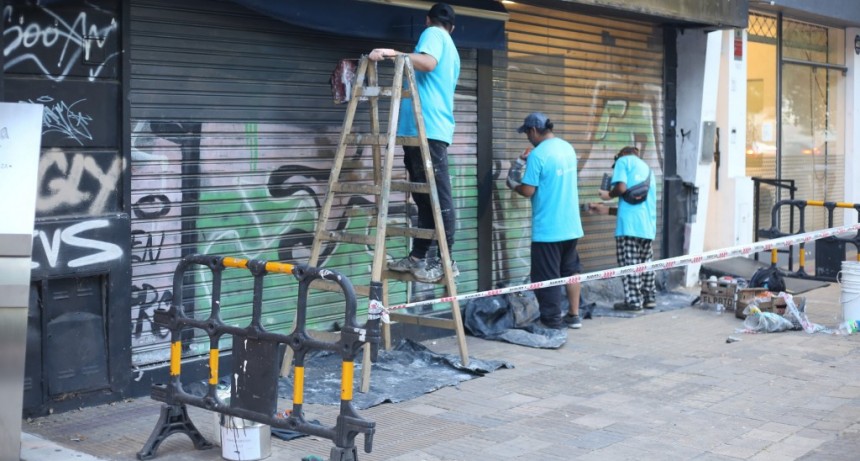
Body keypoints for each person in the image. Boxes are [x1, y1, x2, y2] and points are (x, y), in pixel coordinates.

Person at [368, 3, 460, 283]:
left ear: (428, 20)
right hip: (424, 129)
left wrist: (393, 53)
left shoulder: (434, 33)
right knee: (424, 198)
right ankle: (419, 258)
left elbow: (428, 62)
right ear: (453, 26)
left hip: (428, 129)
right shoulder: (451, 43)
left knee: (436, 198)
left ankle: (444, 261)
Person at [506, 112, 583, 330]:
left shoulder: (539, 155)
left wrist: (513, 182)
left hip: (548, 228)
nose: (527, 138)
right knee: (571, 270)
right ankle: (574, 315)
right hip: (571, 225)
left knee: (546, 277)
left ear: (533, 130)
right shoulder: (567, 147)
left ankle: (551, 322)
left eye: (527, 133)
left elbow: (528, 190)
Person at [591, 146, 657, 312]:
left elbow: (620, 189)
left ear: (620, 155)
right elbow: (635, 203)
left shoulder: (623, 161)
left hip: (628, 228)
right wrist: (606, 210)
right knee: (645, 263)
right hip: (647, 227)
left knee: (630, 264)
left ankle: (634, 302)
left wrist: (607, 196)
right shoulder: (648, 169)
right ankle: (649, 298)